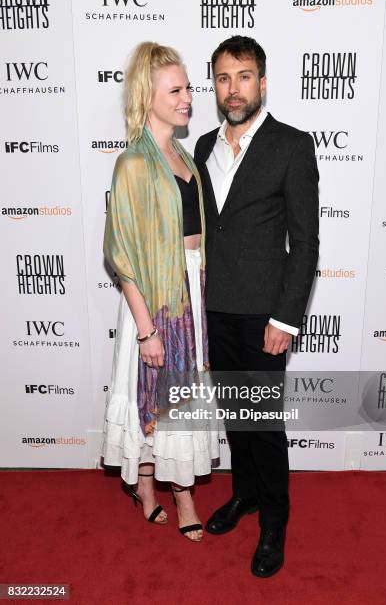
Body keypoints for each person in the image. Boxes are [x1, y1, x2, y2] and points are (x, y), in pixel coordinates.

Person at [194, 36, 319, 575]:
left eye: (244, 76)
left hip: (265, 314)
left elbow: (306, 241)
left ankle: (275, 521)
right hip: (215, 309)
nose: (234, 88)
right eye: (223, 78)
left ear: (262, 82)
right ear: (215, 87)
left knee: (263, 421)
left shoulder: (292, 145)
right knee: (235, 415)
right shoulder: (202, 146)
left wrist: (286, 317)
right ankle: (244, 494)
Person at [102, 42, 219, 542]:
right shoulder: (132, 164)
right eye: (175, 89)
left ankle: (182, 489)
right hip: (154, 302)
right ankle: (152, 490)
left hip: (189, 290)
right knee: (152, 396)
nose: (188, 97)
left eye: (188, 87)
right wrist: (148, 330)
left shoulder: (185, 157)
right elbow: (122, 258)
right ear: (148, 96)